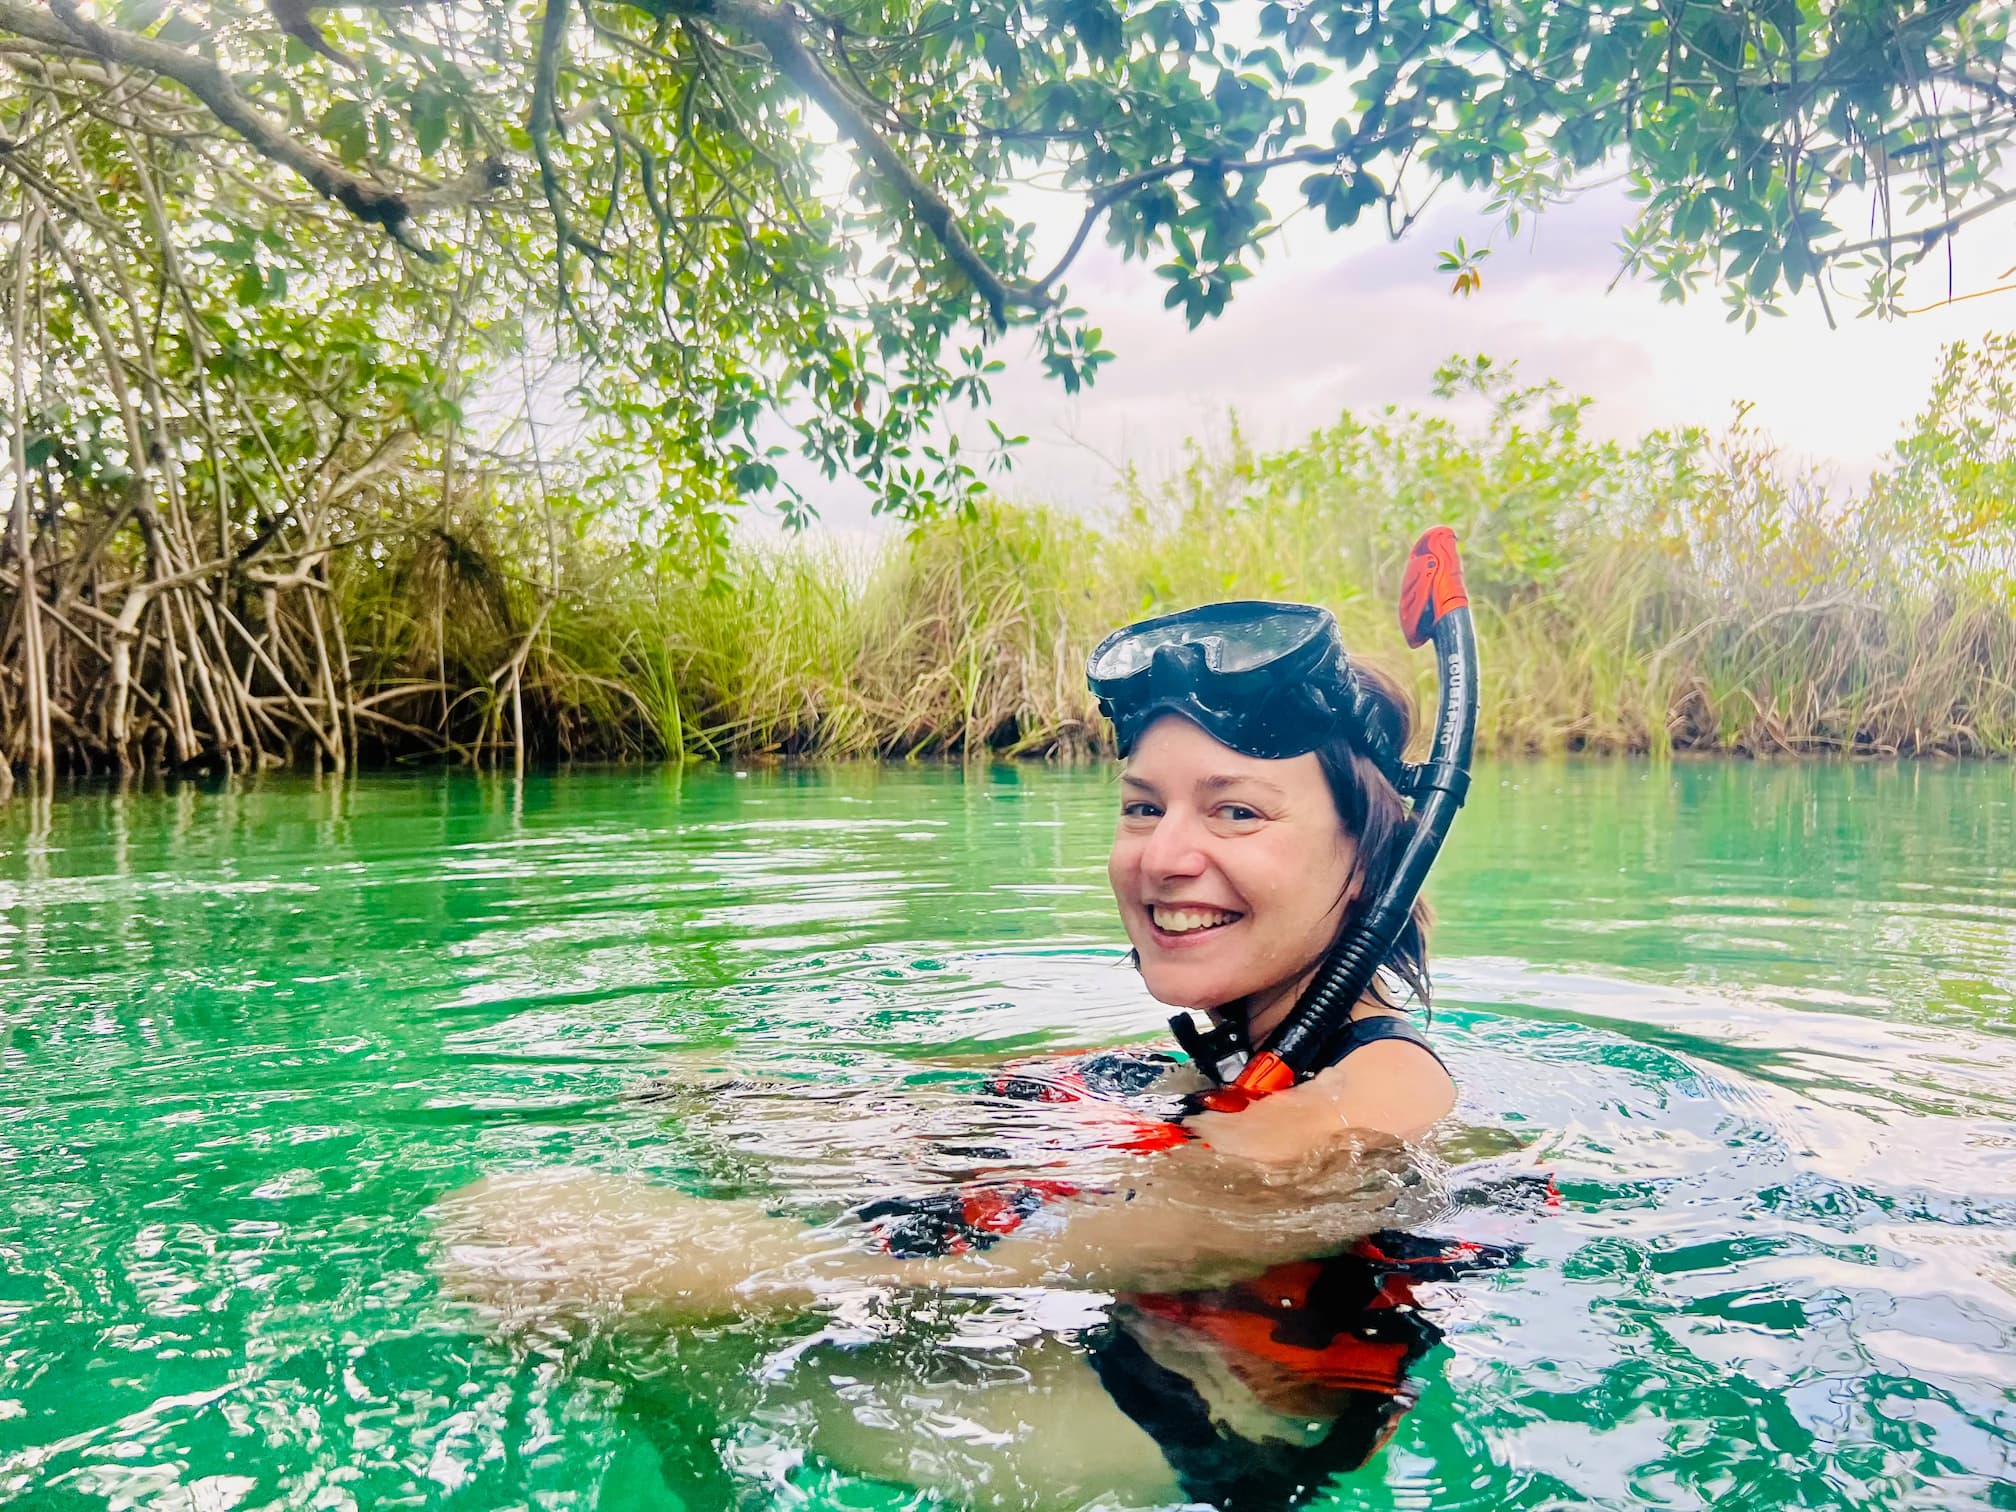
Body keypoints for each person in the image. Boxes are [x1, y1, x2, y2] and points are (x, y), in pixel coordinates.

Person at [441, 589, 1503, 1508]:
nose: (1166, 855)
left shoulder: (1386, 1081)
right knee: (706, 1097)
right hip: (1129, 1324)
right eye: (1143, 805)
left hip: (1180, 1415)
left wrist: (791, 1273)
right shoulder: (1242, 1046)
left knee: (515, 1234)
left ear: (1369, 865)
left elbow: (1178, 1224)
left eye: (1235, 811)